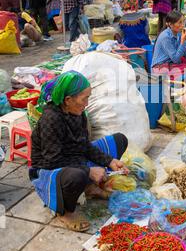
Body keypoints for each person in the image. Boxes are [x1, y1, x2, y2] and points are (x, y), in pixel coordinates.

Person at [30, 71, 129, 232]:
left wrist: (109, 161)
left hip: (75, 157)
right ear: (68, 100)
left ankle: (89, 188)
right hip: (48, 169)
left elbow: (85, 145)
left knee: (119, 140)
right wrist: (88, 171)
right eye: (85, 98)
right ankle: (65, 212)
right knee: (78, 175)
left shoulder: (78, 113)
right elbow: (52, 160)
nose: (87, 103)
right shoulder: (51, 119)